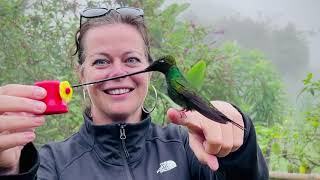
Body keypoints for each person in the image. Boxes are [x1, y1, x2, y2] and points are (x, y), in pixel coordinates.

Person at [0, 7, 268, 180]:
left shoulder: (189, 148)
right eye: (101, 62)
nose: (120, 73)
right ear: (81, 74)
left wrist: (238, 144)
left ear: (150, 70)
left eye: (131, 60)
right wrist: (10, 170)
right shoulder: (51, 165)